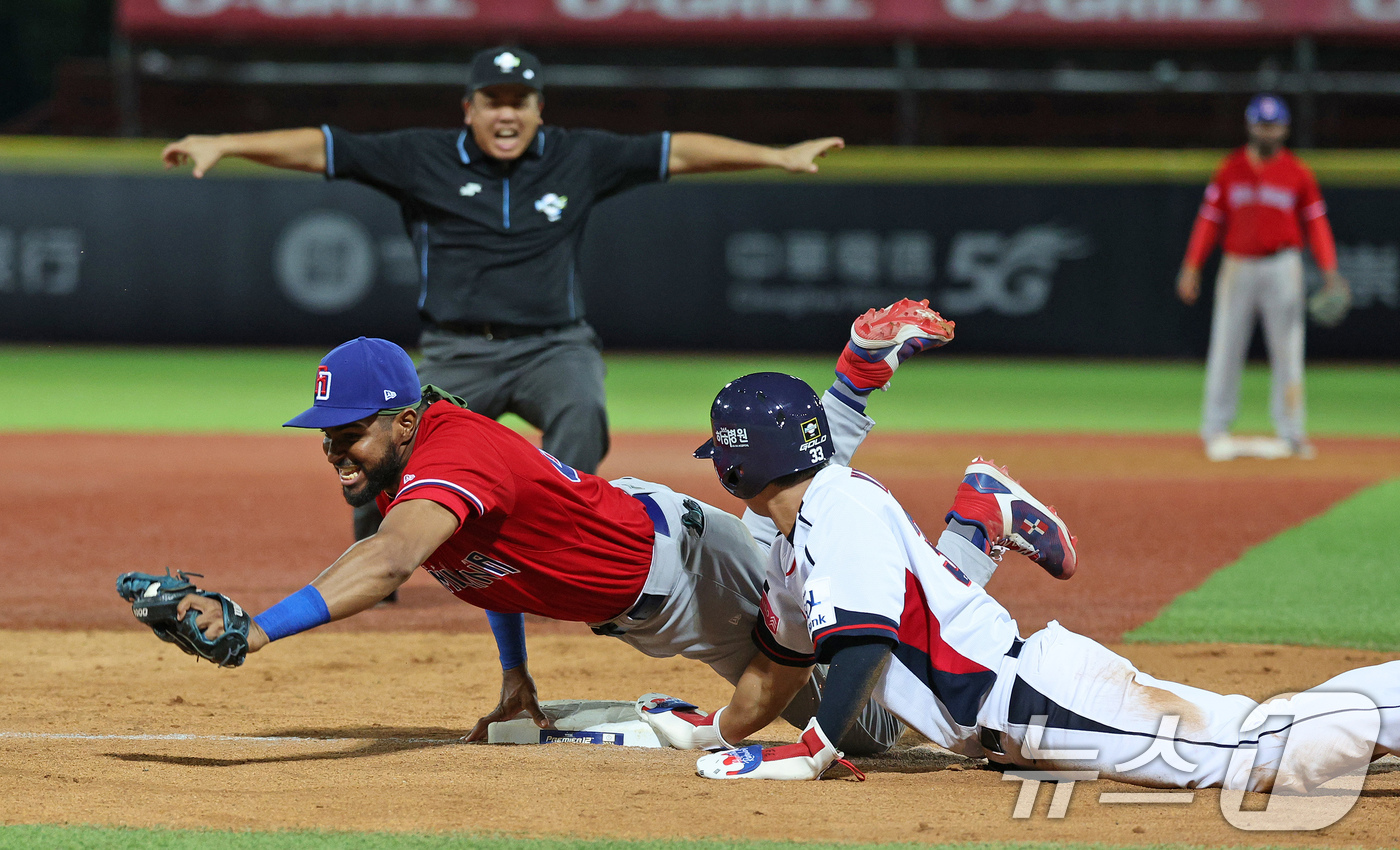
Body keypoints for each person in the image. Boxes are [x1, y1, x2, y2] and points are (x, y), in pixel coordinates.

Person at [160, 46, 847, 583]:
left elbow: (677, 151)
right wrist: (225, 140)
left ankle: (549, 543)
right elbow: (323, 147)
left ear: (540, 109)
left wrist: (776, 156)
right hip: (459, 352)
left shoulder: (579, 157)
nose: (507, 113)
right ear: (469, 108)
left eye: (520, 100)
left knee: (582, 411)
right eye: (493, 100)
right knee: (389, 442)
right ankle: (378, 555)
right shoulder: (421, 157)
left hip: (556, 346)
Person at [168, 300, 961, 755]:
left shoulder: (451, 458)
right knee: (815, 532)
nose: (334, 448)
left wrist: (257, 630)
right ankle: (859, 377)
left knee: (875, 728)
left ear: (406, 421)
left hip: (688, 580)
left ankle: (970, 522)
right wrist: (516, 678)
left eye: (351, 431)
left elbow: (385, 565)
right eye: (326, 431)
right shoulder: (412, 476)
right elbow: (488, 560)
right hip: (659, 559)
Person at [639, 372, 1399, 795]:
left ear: (741, 463)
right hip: (1024, 717)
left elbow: (866, 642)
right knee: (1252, 740)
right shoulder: (792, 546)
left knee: (1248, 751)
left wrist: (812, 750)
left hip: (1036, 698)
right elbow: (775, 671)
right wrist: (712, 730)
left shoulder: (840, 507)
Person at [1176, 93, 1350, 462]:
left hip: (1281, 265)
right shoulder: (1229, 169)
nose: (1267, 131)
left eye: (1273, 125)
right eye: (1261, 123)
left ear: (1284, 129)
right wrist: (1192, 264)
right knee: (1225, 346)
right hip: (1237, 264)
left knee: (1288, 350)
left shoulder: (1298, 173)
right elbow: (1209, 221)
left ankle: (1292, 432)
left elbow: (1317, 224)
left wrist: (1330, 269)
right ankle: (1215, 429)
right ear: (1250, 125)